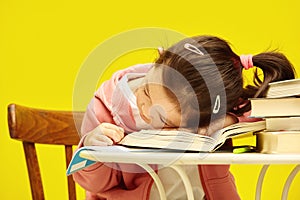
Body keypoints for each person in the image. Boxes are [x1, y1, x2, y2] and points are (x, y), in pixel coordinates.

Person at [73, 35, 296, 200]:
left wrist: (224, 121)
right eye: (147, 91)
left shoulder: (210, 107)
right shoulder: (105, 106)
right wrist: (92, 151)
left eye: (163, 119)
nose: (145, 108)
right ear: (158, 60)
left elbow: (268, 116)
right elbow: (93, 184)